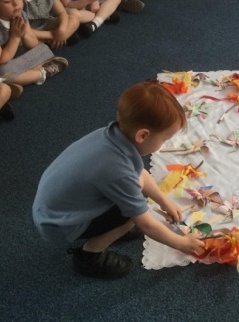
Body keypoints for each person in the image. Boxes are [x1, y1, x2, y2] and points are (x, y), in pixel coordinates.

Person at [33, 81, 204, 279]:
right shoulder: (117, 170)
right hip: (60, 225)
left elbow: (140, 174)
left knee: (134, 194)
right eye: (164, 139)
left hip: (52, 209)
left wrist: (164, 201)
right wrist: (183, 243)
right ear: (142, 135)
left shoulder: (110, 136)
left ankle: (109, 230)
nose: (164, 143)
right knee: (130, 217)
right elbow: (146, 225)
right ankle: (89, 256)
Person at [0, 0, 68, 88]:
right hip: (3, 64)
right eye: (7, 1)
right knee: (2, 73)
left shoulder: (20, 15)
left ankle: (16, 81)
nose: (16, 4)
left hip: (18, 59)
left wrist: (24, 33)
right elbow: (0, 59)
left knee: (43, 48)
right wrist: (15, 37)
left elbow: (33, 43)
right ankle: (42, 73)